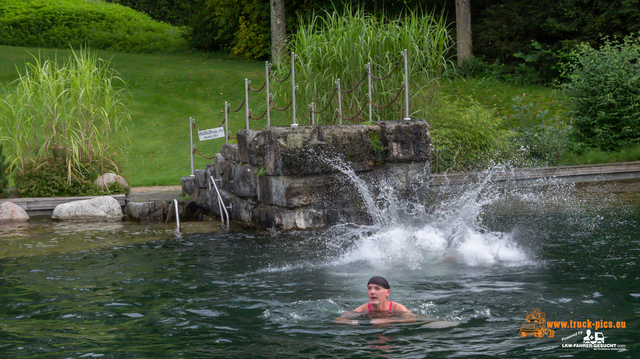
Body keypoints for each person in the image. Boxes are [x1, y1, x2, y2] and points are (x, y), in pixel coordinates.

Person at [335, 276, 415, 325]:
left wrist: (388, 320)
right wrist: (349, 322)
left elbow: (412, 319)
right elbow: (338, 320)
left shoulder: (398, 308)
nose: (372, 292)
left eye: (377, 289)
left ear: (387, 292)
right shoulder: (363, 309)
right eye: (369, 288)